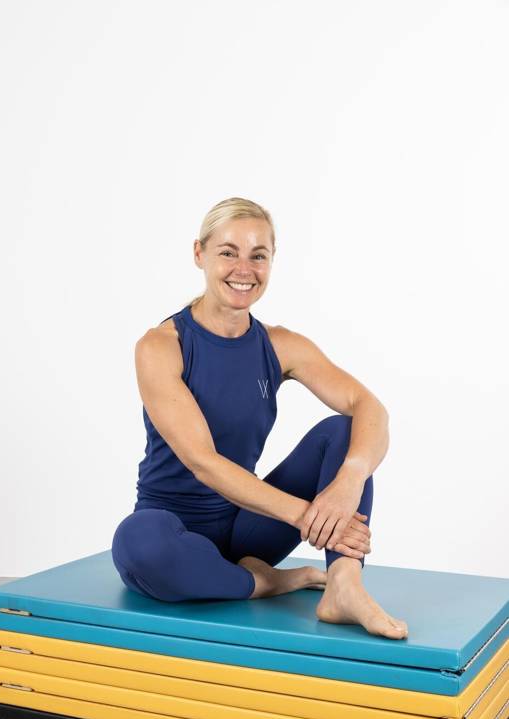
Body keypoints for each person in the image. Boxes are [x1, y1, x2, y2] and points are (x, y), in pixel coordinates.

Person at [112, 197, 408, 640]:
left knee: (346, 432)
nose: (243, 269)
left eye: (258, 256)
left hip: (248, 528)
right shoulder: (161, 346)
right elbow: (204, 463)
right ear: (199, 254)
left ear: (272, 262)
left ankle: (344, 587)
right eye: (228, 252)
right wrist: (310, 517)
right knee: (137, 545)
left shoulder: (281, 345)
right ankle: (269, 582)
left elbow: (370, 408)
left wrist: (350, 479)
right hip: (170, 528)